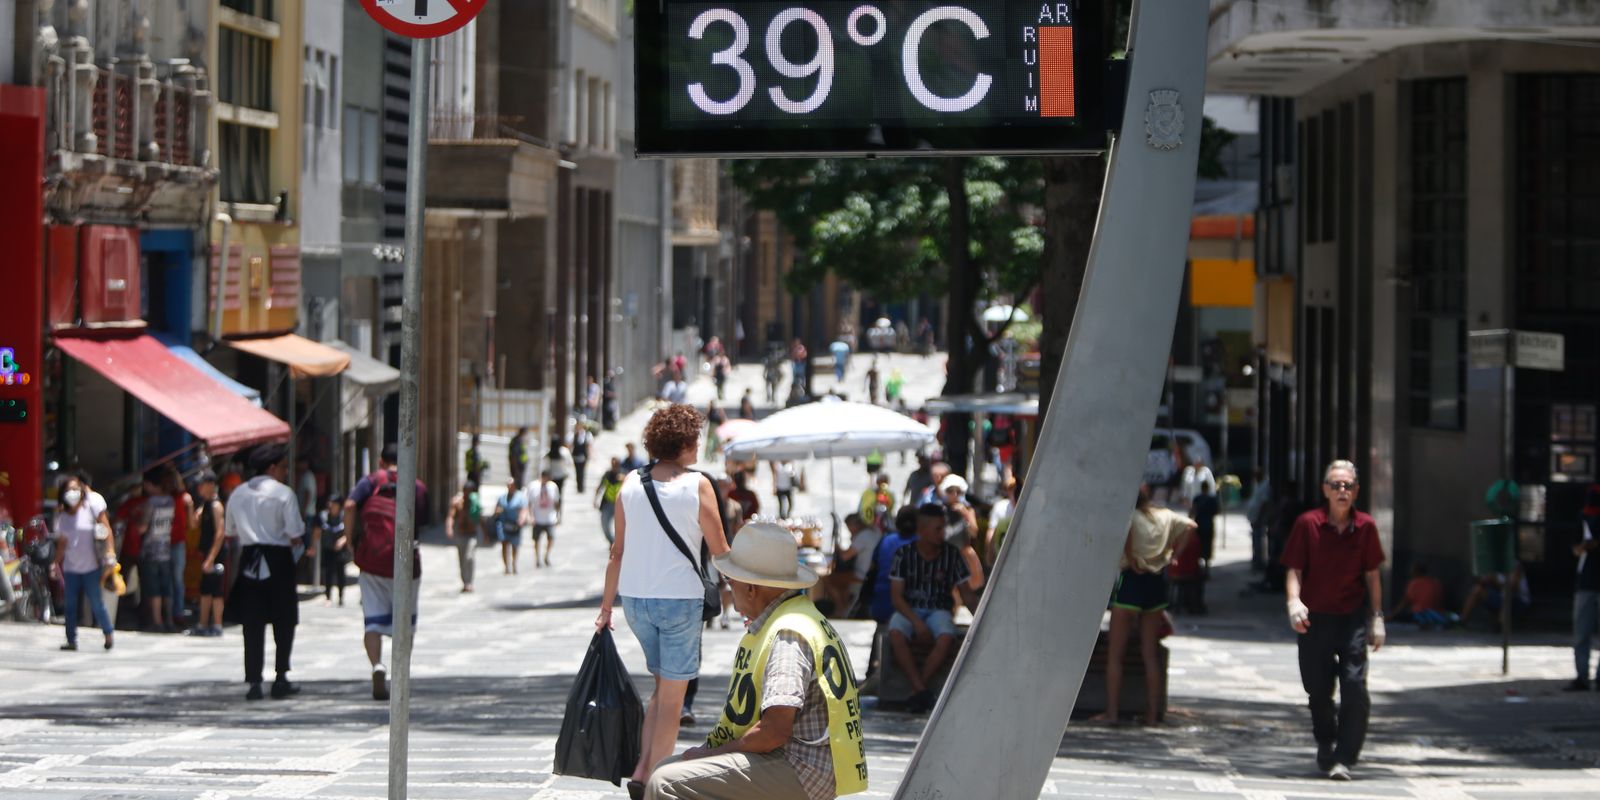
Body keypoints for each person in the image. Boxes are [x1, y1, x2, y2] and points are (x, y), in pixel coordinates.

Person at [644, 522, 868, 800]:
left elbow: (774, 731)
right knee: (668, 768)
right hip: (801, 762)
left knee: (665, 784)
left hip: (802, 768)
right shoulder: (795, 616)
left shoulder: (788, 635)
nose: (730, 586)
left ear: (751, 588)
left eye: (731, 580)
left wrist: (710, 754)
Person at [597, 403, 732, 795]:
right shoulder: (699, 484)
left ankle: (642, 771)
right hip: (678, 602)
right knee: (673, 698)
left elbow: (616, 553)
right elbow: (720, 550)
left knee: (661, 687)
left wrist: (606, 608)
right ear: (686, 443)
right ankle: (659, 780)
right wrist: (745, 596)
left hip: (636, 601)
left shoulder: (630, 484)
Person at [1282, 459, 1385, 781]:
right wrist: (1293, 602)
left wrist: (1377, 618)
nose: (1343, 491)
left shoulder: (1366, 526)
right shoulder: (1307, 524)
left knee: (1354, 687)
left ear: (1356, 492)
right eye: (1336, 485)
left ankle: (1345, 757)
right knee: (1318, 689)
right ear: (1325, 490)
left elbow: (1372, 575)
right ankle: (1326, 740)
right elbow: (1294, 569)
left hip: (1351, 618)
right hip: (1315, 619)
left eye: (1348, 486)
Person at [1093, 485, 1195, 725]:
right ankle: (1151, 715)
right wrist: (1173, 554)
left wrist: (1130, 556)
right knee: (1150, 653)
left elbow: (1126, 533)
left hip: (1131, 579)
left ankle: (1113, 713)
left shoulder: (1129, 516)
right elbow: (1192, 526)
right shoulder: (1164, 516)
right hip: (1155, 584)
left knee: (1115, 654)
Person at [346, 443, 428, 702]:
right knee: (405, 621)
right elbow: (422, 521)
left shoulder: (371, 481)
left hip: (372, 561)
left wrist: (351, 541)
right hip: (406, 563)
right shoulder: (416, 485)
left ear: (382, 461)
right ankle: (400, 672)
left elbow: (349, 505)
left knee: (373, 619)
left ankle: (377, 665)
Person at [226, 444, 306, 701]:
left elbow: (230, 531)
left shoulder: (237, 493)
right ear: (272, 468)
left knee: (252, 622)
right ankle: (281, 676)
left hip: (250, 558)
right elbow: (295, 533)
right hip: (278, 558)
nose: (285, 472)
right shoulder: (284, 494)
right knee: (284, 620)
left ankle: (253, 681)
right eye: (283, 467)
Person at [887, 503, 977, 712]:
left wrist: (981, 618)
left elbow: (967, 593)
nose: (942, 534)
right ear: (923, 530)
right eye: (937, 529)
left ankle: (918, 689)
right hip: (909, 609)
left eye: (943, 528)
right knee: (896, 633)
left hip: (939, 609)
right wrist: (917, 623)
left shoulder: (951, 554)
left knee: (946, 636)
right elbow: (896, 597)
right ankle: (921, 691)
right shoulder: (904, 554)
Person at [51, 474, 115, 651]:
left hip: (91, 566)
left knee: (96, 603)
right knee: (70, 605)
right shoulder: (63, 516)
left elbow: (106, 530)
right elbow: (63, 542)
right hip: (71, 567)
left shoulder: (90, 509)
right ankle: (71, 639)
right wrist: (55, 562)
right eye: (68, 490)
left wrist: (110, 553)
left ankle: (108, 633)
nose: (72, 493)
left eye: (75, 489)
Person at [134, 468, 178, 632]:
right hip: (165, 548)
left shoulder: (151, 502)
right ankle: (169, 620)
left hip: (150, 550)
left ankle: (157, 621)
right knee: (166, 587)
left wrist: (136, 523)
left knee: (153, 588)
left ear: (150, 484)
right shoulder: (170, 501)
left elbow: (143, 527)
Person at [1567, 483, 1600, 691]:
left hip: (1590, 582)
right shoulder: (1583, 518)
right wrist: (1584, 548)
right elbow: (1575, 547)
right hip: (1586, 581)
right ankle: (1581, 676)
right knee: (1581, 632)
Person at [191, 471, 230, 636]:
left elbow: (220, 533)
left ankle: (217, 624)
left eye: (203, 484)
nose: (200, 488)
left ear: (211, 485)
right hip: (207, 553)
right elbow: (193, 524)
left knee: (216, 591)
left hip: (216, 555)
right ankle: (202, 623)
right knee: (205, 590)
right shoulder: (205, 505)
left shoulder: (216, 505)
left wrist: (211, 558)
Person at [938, 474, 985, 593]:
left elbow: (974, 532)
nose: (954, 494)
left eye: (957, 491)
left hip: (964, 553)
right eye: (950, 491)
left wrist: (965, 514)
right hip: (946, 554)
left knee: (970, 588)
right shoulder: (940, 510)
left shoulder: (968, 509)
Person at [166, 464, 195, 630]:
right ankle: (170, 613)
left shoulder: (184, 498)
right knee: (169, 581)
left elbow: (191, 524)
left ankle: (177, 612)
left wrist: (190, 506)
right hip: (164, 544)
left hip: (177, 543)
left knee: (176, 580)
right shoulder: (163, 497)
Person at [1388, 563, 1452, 628]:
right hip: (1437, 615)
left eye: (1412, 571)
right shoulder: (1437, 583)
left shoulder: (1414, 583)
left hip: (1420, 615)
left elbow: (1405, 602)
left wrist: (1392, 616)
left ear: (1416, 571)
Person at [444, 480, 481, 593]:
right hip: (460, 534)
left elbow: (480, 518)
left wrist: (486, 533)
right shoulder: (457, 502)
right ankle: (465, 582)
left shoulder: (475, 502)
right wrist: (449, 528)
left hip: (472, 534)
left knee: (469, 557)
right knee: (461, 559)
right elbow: (451, 516)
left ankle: (469, 582)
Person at [313, 494, 348, 606]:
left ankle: (341, 596)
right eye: (330, 502)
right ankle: (328, 596)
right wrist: (313, 546)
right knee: (328, 573)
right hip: (327, 548)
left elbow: (349, 531)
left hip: (340, 549)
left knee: (340, 573)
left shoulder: (344, 516)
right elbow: (317, 531)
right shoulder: (323, 516)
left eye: (334, 503)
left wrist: (342, 541)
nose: (331, 505)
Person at [494, 478, 529, 574]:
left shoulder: (520, 497)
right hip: (504, 524)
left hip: (515, 525)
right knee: (504, 544)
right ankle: (506, 566)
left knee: (515, 545)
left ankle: (514, 563)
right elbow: (497, 509)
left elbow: (524, 510)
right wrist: (497, 512)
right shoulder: (502, 498)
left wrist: (521, 520)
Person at [530, 470, 561, 568]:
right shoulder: (533, 486)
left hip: (550, 518)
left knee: (551, 537)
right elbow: (529, 503)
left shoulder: (553, 487)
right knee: (536, 540)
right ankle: (537, 558)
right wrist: (531, 517)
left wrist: (558, 516)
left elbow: (557, 502)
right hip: (538, 518)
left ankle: (546, 555)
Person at [1245, 468, 1272, 572]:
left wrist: (1259, 517)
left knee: (1258, 542)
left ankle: (1259, 563)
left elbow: (1264, 504)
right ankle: (1256, 562)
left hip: (1259, 518)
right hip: (1255, 518)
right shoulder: (1258, 486)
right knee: (1255, 541)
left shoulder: (1264, 486)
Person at [595, 457, 625, 545]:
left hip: (620, 504)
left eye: (616, 465)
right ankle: (612, 541)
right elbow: (600, 486)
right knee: (604, 525)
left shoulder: (624, 474)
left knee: (621, 526)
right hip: (607, 503)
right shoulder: (607, 474)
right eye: (613, 464)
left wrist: (624, 479)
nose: (614, 466)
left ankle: (620, 543)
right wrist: (595, 499)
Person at [543, 438, 573, 511]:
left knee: (551, 494)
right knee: (559, 495)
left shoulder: (548, 452)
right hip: (561, 477)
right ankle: (558, 511)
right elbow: (569, 463)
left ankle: (552, 510)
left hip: (551, 477)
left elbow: (544, 464)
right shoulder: (564, 451)